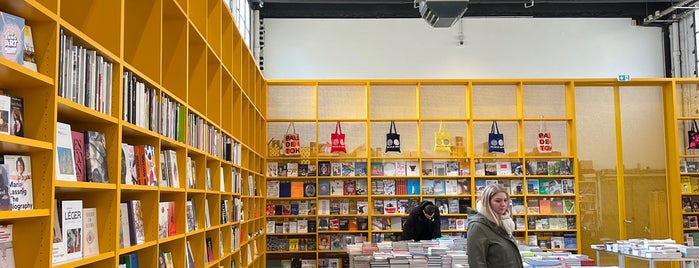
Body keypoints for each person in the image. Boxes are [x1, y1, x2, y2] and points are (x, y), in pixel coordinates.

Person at [466, 184, 523, 268]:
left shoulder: (505, 223)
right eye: (498, 201)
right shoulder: (478, 226)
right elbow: (477, 263)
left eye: (505, 200)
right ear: (487, 202)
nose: (503, 204)